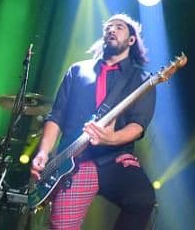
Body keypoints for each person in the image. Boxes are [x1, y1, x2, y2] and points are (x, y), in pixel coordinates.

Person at [31, 14, 157, 230]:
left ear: (131, 40)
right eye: (108, 27)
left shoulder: (142, 79)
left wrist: (112, 138)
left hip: (114, 158)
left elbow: (138, 125)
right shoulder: (78, 70)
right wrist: (43, 152)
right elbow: (57, 115)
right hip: (74, 161)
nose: (112, 30)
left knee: (142, 199)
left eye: (119, 27)